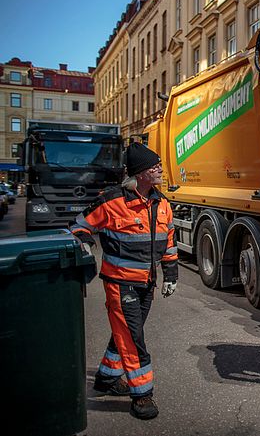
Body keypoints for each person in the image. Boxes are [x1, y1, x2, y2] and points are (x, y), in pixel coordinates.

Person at [70, 142, 178, 420]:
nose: (160, 170)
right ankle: (142, 395)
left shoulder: (161, 203)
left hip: (147, 282)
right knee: (132, 338)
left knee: (128, 332)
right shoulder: (111, 201)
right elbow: (80, 225)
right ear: (141, 173)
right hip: (120, 284)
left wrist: (171, 276)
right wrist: (84, 243)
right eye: (155, 167)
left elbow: (168, 242)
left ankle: (106, 378)